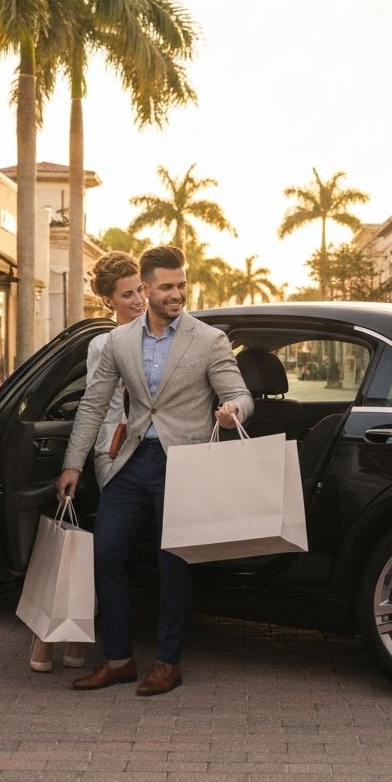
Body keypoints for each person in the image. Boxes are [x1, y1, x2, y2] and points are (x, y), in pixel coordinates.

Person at [55, 245, 253, 696]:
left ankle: (167, 662)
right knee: (106, 553)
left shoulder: (208, 339)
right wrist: (72, 463)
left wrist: (233, 411)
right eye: (166, 286)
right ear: (145, 288)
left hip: (183, 463)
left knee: (173, 562)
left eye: (181, 285)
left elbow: (240, 392)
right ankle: (119, 659)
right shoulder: (119, 342)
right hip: (131, 462)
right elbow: (93, 404)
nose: (176, 294)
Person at [30, 251, 146, 673]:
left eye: (141, 290)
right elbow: (93, 408)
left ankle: (76, 639)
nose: (139, 300)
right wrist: (73, 464)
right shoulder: (104, 344)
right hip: (111, 458)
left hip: (149, 458)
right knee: (87, 551)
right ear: (108, 301)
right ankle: (49, 636)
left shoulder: (164, 337)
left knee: (102, 552)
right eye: (128, 294)